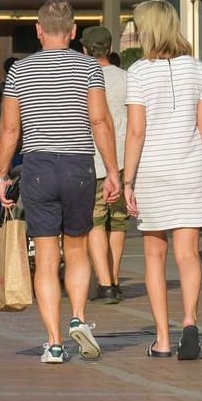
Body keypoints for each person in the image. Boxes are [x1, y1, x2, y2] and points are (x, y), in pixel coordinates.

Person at [0, 0, 121, 365]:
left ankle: (52, 342)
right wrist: (112, 170)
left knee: (47, 257)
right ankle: (79, 317)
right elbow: (100, 122)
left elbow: (10, 129)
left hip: (37, 166)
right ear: (73, 31)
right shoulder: (89, 68)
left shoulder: (20, 70)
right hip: (79, 165)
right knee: (77, 248)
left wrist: (2, 175)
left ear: (38, 30)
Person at [120, 1, 202, 360]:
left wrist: (127, 180)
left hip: (153, 171)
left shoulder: (138, 72)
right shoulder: (196, 68)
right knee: (188, 253)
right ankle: (191, 322)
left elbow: (136, 131)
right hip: (191, 171)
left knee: (154, 254)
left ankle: (163, 339)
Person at [81, 25, 130, 305]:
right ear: (111, 48)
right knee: (119, 222)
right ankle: (115, 277)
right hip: (124, 161)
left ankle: (105, 283)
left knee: (96, 222)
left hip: (95, 161)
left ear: (85, 50)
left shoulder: (83, 78)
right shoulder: (128, 78)